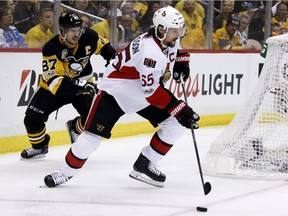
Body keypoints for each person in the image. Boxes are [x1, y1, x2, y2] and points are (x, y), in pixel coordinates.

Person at [43, 6, 200, 188]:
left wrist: (181, 63)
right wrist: (181, 109)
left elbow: (174, 52)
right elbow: (152, 91)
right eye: (175, 30)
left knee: (174, 126)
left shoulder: (165, 39)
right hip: (116, 92)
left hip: (141, 92)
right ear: (161, 29)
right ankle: (64, 173)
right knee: (91, 138)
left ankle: (145, 163)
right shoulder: (151, 52)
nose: (178, 34)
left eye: (179, 30)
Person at [20, 12, 117, 159]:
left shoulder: (89, 36)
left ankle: (74, 127)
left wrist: (114, 63)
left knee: (93, 115)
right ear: (63, 30)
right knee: (31, 119)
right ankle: (40, 147)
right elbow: (54, 82)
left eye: (79, 29)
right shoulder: (51, 48)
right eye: (73, 30)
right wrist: (83, 84)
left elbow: (108, 51)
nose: (77, 34)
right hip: (54, 88)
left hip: (81, 85)